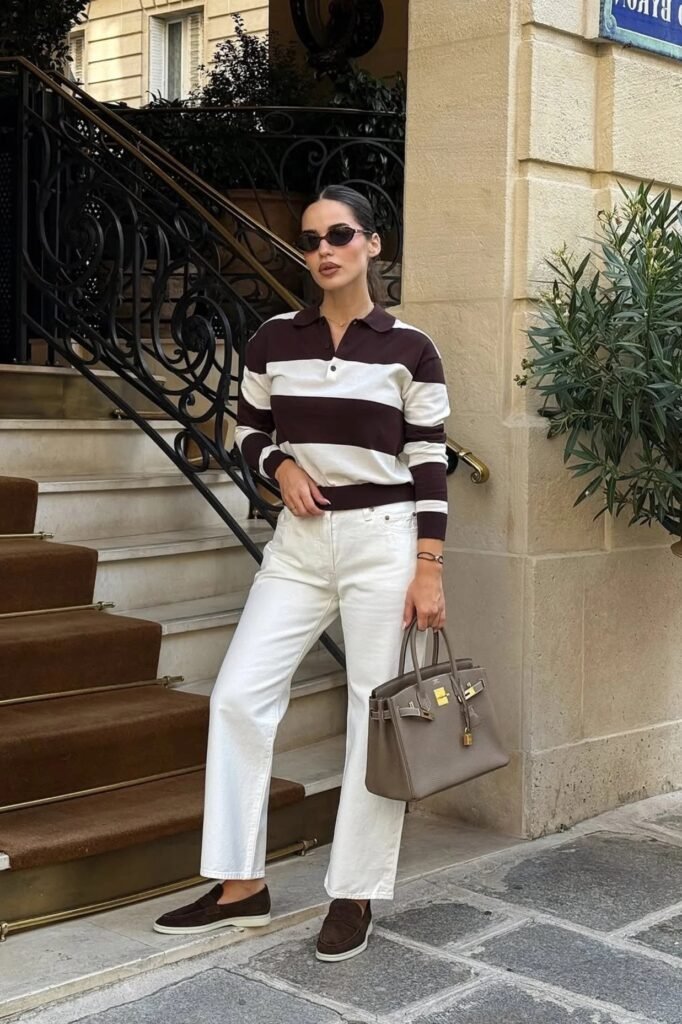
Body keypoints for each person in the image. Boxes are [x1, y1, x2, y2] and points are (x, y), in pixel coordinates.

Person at [154, 184, 451, 962]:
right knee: (239, 695)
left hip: (383, 538)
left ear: (372, 245)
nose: (323, 249)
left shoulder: (410, 347)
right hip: (299, 540)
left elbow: (427, 461)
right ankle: (239, 885)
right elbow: (247, 428)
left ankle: (353, 891)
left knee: (371, 711)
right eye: (311, 238)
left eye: (340, 235)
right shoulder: (272, 340)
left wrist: (429, 564)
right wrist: (278, 463)